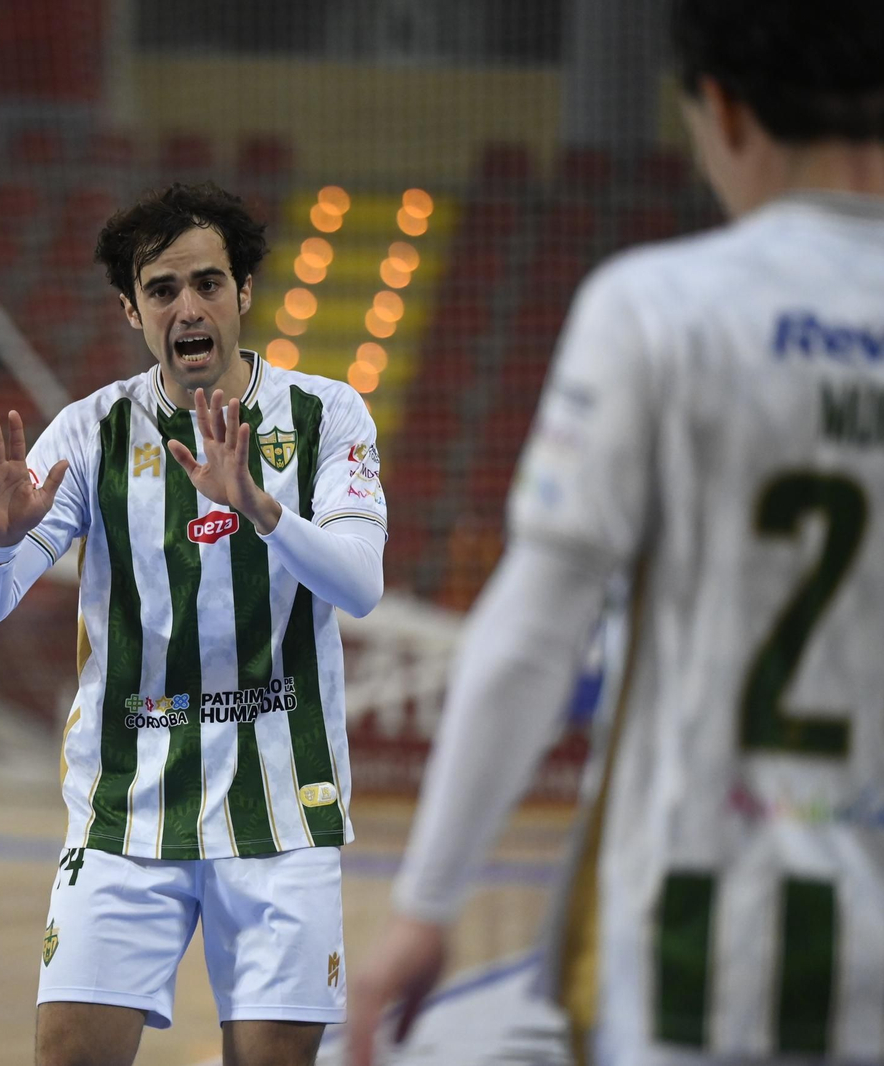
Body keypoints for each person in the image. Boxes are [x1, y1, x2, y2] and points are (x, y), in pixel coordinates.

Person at [348, 1, 884, 1064]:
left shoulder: (656, 308)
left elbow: (533, 629)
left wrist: (426, 901)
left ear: (723, 112)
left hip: (692, 938)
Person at [0, 182, 387, 1066]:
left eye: (210, 284)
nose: (189, 307)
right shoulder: (90, 432)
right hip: (125, 812)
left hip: (282, 815)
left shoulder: (326, 415)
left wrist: (260, 505)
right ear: (131, 309)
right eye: (163, 289)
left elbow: (361, 585)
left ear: (244, 294)